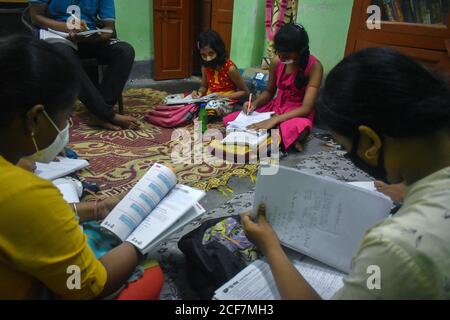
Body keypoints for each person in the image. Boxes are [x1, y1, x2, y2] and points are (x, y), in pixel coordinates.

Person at [242, 47, 450, 299]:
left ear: (370, 143)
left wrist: (271, 246)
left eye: (343, 146)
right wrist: (410, 189)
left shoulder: (395, 247)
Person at [0, 35, 163, 299]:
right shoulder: (26, 192)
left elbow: (22, 220)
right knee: (151, 277)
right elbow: (82, 286)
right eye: (65, 119)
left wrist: (96, 208)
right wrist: (142, 239)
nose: (68, 129)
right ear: (34, 118)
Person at [29, 0, 140, 131]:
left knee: (125, 51)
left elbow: (109, 28)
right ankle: (106, 114)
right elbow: (35, 17)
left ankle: (99, 112)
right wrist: (66, 26)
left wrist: (93, 37)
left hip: (88, 37)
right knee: (64, 55)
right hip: (56, 35)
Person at [223, 23, 323, 152]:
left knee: (299, 127)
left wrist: (275, 120)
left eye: (286, 55)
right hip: (275, 107)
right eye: (279, 53)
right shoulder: (277, 61)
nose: (281, 58)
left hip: (297, 113)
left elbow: (306, 108)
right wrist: (255, 104)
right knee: (233, 119)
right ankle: (280, 139)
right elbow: (269, 92)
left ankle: (275, 136)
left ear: (300, 51)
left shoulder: (315, 67)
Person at [192, 29, 249, 116]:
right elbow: (204, 86)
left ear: (218, 50)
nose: (208, 58)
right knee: (189, 104)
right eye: (203, 55)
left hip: (225, 102)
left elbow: (245, 91)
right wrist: (199, 93)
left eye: (211, 53)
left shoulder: (230, 68)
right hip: (209, 99)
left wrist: (222, 97)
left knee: (210, 109)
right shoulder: (205, 66)